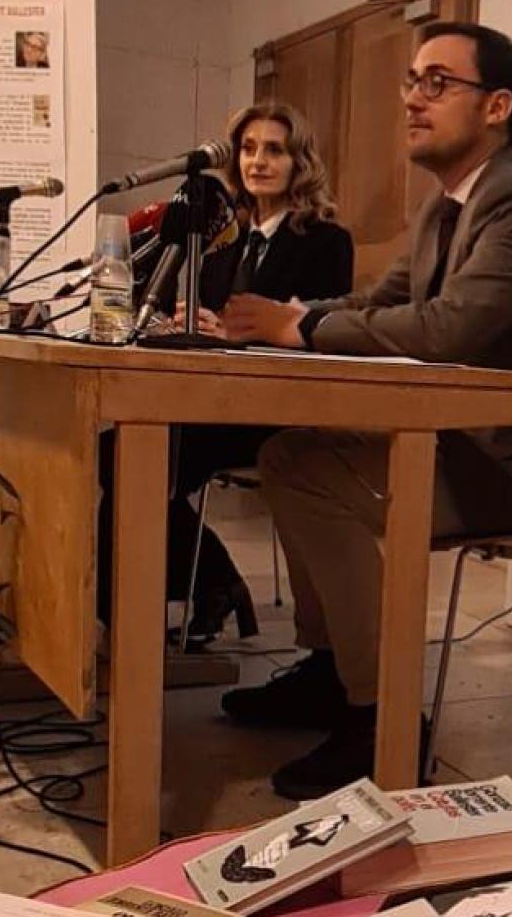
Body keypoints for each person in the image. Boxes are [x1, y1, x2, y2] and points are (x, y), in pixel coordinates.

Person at [220, 22, 512, 797]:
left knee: (308, 472)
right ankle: (333, 668)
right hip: (480, 449)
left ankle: (383, 718)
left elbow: (446, 330)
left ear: (497, 106)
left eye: (438, 83)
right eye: (410, 80)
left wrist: (298, 329)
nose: (412, 98)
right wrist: (288, 314)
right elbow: (380, 302)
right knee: (290, 453)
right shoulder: (446, 208)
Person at [99, 102, 354, 644]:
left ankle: (146, 609)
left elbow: (323, 332)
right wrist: (188, 322)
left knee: (141, 457)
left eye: (274, 150)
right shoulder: (223, 241)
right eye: (248, 149)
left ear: (300, 162)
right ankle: (192, 589)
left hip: (280, 409)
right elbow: (213, 321)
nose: (257, 161)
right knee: (117, 451)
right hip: (214, 401)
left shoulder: (327, 241)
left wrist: (241, 332)